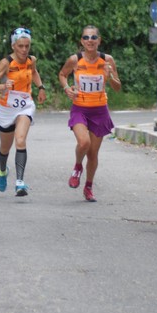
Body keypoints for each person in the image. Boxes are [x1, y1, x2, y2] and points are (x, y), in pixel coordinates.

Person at [58, 25, 121, 202]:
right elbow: (62, 74)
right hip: (80, 108)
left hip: (100, 110)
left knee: (93, 154)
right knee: (83, 142)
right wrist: (66, 89)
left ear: (99, 40)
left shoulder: (107, 60)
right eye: (86, 38)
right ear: (81, 41)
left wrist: (111, 76)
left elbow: (117, 87)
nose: (90, 41)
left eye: (93, 38)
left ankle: (88, 187)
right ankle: (77, 167)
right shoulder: (75, 60)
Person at [0, 27, 46, 197]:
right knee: (5, 148)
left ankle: (20, 182)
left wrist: (40, 87)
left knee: (20, 141)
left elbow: (34, 73)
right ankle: (3, 170)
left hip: (25, 105)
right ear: (13, 46)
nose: (24, 50)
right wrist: (2, 86)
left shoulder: (31, 60)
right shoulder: (6, 63)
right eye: (20, 46)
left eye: (27, 46)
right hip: (6, 109)